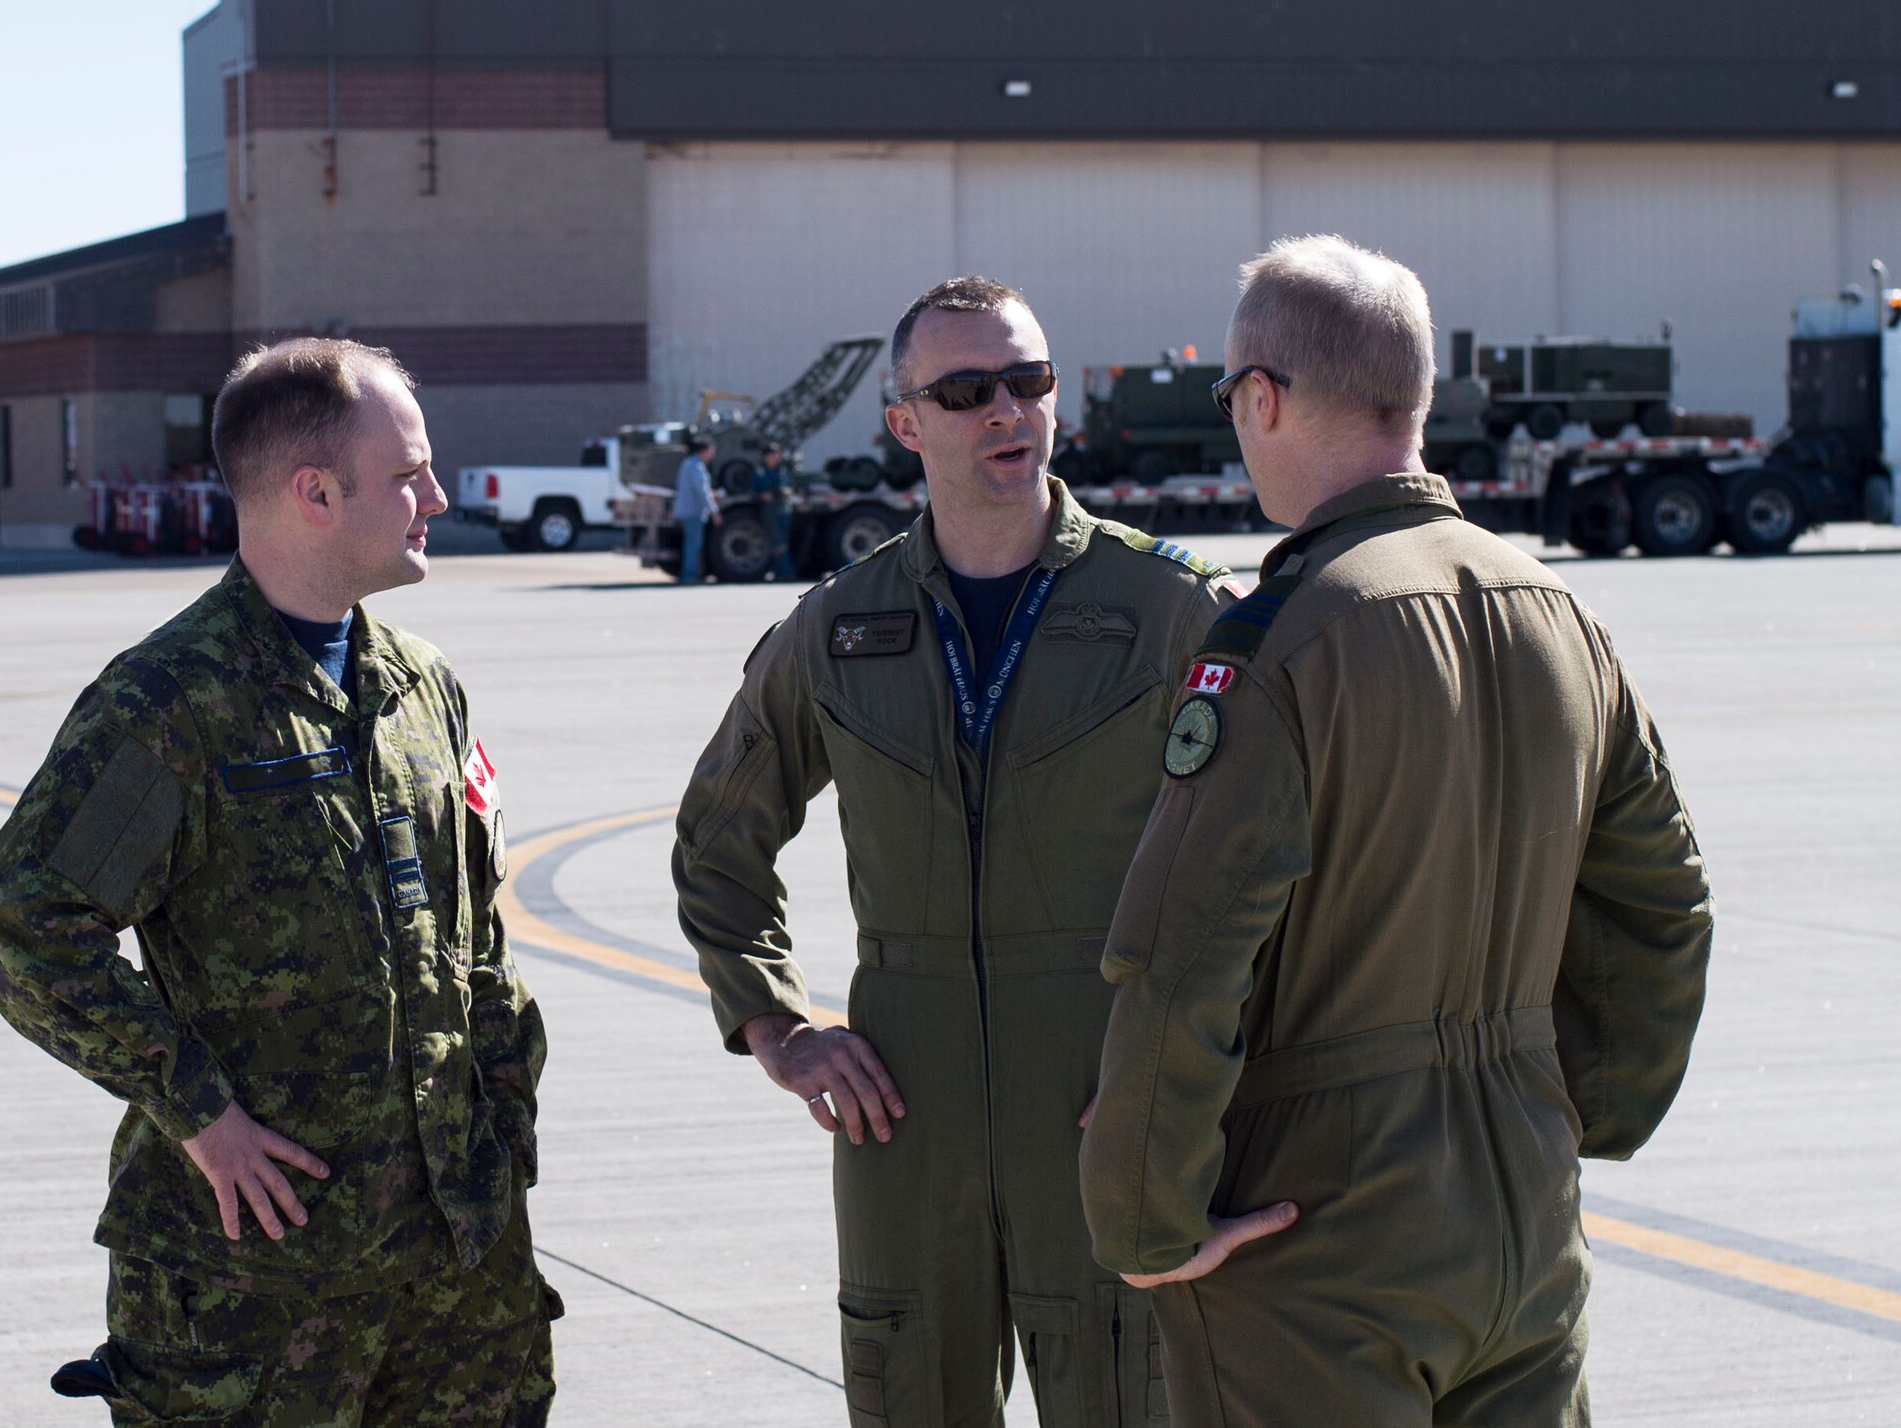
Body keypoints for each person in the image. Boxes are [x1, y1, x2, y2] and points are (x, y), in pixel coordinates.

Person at [1080, 234, 1713, 1427]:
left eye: (1229, 396)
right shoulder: (1557, 609)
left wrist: (1141, 1222)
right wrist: (1571, 1112)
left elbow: (1183, 955)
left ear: (1260, 397)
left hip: (1318, 1240)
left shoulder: (1276, 640)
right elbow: (1663, 908)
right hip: (1522, 1215)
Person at [673, 276, 1284, 1427]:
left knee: (1128, 1393)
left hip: (1102, 1098)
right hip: (903, 1110)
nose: (1007, 410)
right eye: (964, 391)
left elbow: (1283, 855)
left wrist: (1196, 1067)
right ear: (904, 424)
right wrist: (776, 1026)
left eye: (1028, 380)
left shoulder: (1171, 609)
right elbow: (719, 838)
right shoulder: (837, 627)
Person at [0, 337, 556, 1424]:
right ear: (315, 492)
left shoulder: (419, 685)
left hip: (456, 1265)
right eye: (407, 475)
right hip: (264, 1286)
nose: (434, 495)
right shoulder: (176, 702)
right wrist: (196, 1109)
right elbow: (26, 924)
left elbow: (476, 932)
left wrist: (504, 1117)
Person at [674, 436, 721, 583]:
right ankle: (689, 575)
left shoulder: (688, 463)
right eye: (711, 449)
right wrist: (714, 511)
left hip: (686, 510)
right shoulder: (697, 466)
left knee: (691, 543)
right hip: (693, 511)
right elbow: (701, 491)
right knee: (693, 544)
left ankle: (690, 573)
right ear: (704, 450)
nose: (713, 453)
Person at [752, 441, 797, 579]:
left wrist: (786, 491)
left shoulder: (782, 470)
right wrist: (762, 495)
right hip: (770, 510)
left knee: (782, 541)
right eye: (772, 455)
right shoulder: (759, 470)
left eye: (777, 455)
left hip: (783, 509)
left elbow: (789, 485)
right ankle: (785, 571)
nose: (775, 458)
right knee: (777, 541)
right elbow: (754, 488)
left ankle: (782, 571)